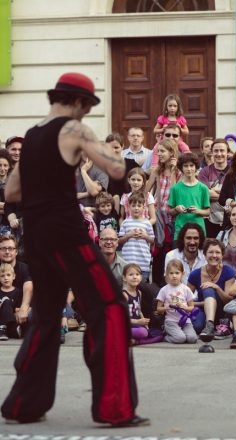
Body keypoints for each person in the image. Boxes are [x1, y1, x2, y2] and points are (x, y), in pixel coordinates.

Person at [1, 72, 146, 426]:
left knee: (47, 315)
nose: (84, 115)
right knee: (110, 305)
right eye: (86, 107)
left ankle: (24, 404)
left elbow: (11, 193)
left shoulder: (33, 137)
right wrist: (104, 157)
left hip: (36, 237)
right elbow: (114, 168)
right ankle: (115, 407)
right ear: (79, 103)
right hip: (66, 233)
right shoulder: (75, 130)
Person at [145, 138, 181, 285]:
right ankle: (157, 285)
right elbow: (146, 192)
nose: (158, 154)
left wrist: (173, 171)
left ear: (172, 153)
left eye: (162, 151)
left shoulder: (179, 171)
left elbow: (175, 192)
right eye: (158, 151)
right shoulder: (156, 171)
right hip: (159, 216)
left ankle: (171, 284)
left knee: (172, 252)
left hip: (174, 216)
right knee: (159, 251)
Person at [187, 238, 235, 337]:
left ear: (222, 255)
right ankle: (209, 325)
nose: (214, 255)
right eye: (210, 252)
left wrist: (217, 288)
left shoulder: (228, 271)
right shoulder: (195, 274)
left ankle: (210, 325)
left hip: (222, 310)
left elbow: (229, 301)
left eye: (217, 252)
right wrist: (204, 303)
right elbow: (186, 301)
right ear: (204, 254)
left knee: (208, 288)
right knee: (197, 327)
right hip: (202, 309)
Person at [168, 152, 210, 241]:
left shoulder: (203, 188)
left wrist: (197, 210)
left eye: (191, 165)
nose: (189, 169)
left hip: (199, 231)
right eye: (185, 166)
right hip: (180, 231)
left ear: (196, 167)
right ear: (181, 168)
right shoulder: (175, 188)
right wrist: (176, 209)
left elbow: (208, 212)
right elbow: (170, 211)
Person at [156, 259, 198, 344]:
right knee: (180, 339)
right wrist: (167, 307)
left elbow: (192, 307)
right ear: (166, 275)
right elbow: (158, 309)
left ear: (183, 274)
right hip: (171, 321)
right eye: (171, 273)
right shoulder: (164, 290)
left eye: (177, 273)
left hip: (186, 321)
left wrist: (184, 307)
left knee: (192, 339)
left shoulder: (186, 289)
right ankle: (165, 337)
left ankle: (179, 333)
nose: (174, 276)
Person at [119, 192, 155, 282]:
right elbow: (119, 241)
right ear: (129, 207)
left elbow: (152, 240)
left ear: (144, 207)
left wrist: (145, 236)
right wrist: (128, 235)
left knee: (143, 288)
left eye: (139, 206)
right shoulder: (125, 222)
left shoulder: (147, 223)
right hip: (128, 262)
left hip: (143, 263)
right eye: (133, 205)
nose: (136, 208)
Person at [198, 138, 230, 238]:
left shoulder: (234, 171)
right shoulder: (204, 172)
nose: (219, 154)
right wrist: (226, 194)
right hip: (210, 220)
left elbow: (235, 194)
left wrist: (214, 191)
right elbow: (204, 194)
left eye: (222, 150)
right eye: (216, 151)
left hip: (230, 219)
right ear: (212, 152)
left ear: (227, 152)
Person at [0, 234, 33, 326]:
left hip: (22, 309)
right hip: (3, 310)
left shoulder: (24, 268)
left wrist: (24, 308)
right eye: (3, 249)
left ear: (16, 252)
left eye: (10, 248)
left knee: (33, 315)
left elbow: (28, 287)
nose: (7, 251)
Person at [122, 263, 151, 345]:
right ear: (124, 278)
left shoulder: (139, 293)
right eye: (131, 274)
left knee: (150, 332)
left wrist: (144, 322)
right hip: (125, 325)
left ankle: (131, 340)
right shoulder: (124, 294)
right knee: (142, 333)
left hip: (136, 324)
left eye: (137, 274)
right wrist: (138, 321)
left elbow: (139, 309)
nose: (134, 277)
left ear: (141, 277)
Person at [0, 263, 22, 341]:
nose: (6, 278)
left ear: (14, 276)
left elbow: (18, 309)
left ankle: (10, 330)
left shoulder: (18, 292)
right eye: (2, 276)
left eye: (8, 275)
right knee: (6, 301)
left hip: (13, 319)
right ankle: (3, 329)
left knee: (7, 301)